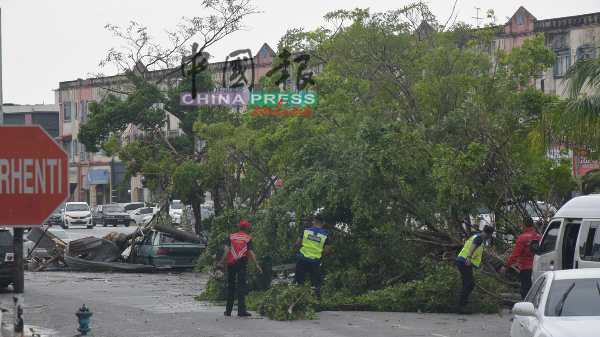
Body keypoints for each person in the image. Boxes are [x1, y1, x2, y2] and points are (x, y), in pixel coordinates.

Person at [220, 220, 262, 317]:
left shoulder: (232, 237)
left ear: (239, 228)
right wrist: (256, 264)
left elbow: (228, 250)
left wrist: (221, 262)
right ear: (247, 229)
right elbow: (250, 252)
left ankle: (228, 311)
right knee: (241, 287)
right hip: (242, 263)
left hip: (231, 263)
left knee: (231, 286)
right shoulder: (248, 239)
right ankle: (241, 311)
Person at [294, 214, 330, 312]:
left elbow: (297, 243)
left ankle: (294, 302)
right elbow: (326, 250)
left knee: (298, 281)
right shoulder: (324, 235)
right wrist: (321, 258)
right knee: (315, 283)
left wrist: (299, 252)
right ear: (323, 223)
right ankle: (316, 305)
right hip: (315, 261)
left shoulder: (306, 231)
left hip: (303, 258)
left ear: (314, 221)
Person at [455, 225, 495, 314]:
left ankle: (462, 305)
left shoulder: (476, 236)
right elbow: (472, 246)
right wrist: (469, 257)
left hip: (463, 261)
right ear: (489, 234)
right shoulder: (479, 238)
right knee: (470, 283)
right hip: (465, 262)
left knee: (466, 283)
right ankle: (460, 306)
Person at [500, 217, 542, 300]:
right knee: (536, 289)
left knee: (526, 290)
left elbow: (515, 254)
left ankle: (527, 308)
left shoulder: (522, 238)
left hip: (526, 268)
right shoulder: (539, 237)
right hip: (537, 267)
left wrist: (505, 266)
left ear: (524, 225)